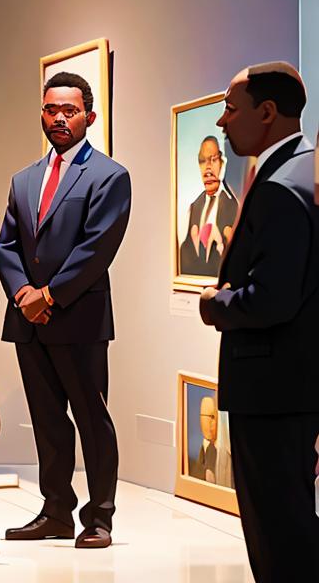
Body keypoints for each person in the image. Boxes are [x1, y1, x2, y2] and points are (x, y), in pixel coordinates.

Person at [0, 71, 132, 549]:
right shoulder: (24, 178)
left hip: (78, 319)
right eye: (51, 109)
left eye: (68, 110)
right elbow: (6, 246)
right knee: (48, 420)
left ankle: (100, 518)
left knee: (92, 419)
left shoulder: (109, 176)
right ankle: (56, 511)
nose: (58, 118)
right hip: (29, 322)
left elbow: (97, 249)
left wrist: (48, 296)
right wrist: (21, 296)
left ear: (89, 117)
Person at [198, 61, 319, 582]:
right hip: (298, 387)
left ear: (267, 113)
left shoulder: (279, 187)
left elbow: (271, 300)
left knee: (278, 538)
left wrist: (214, 302)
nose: (222, 122)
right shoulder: (303, 170)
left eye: (230, 108)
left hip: (272, 392)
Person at [178, 135, 238, 277]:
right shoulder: (193, 208)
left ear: (222, 163)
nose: (208, 168)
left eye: (213, 159)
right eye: (203, 161)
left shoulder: (233, 206)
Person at [189, 396, 219, 483]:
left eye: (212, 417)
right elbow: (198, 471)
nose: (207, 423)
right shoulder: (205, 444)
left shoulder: (224, 446)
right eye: (202, 416)